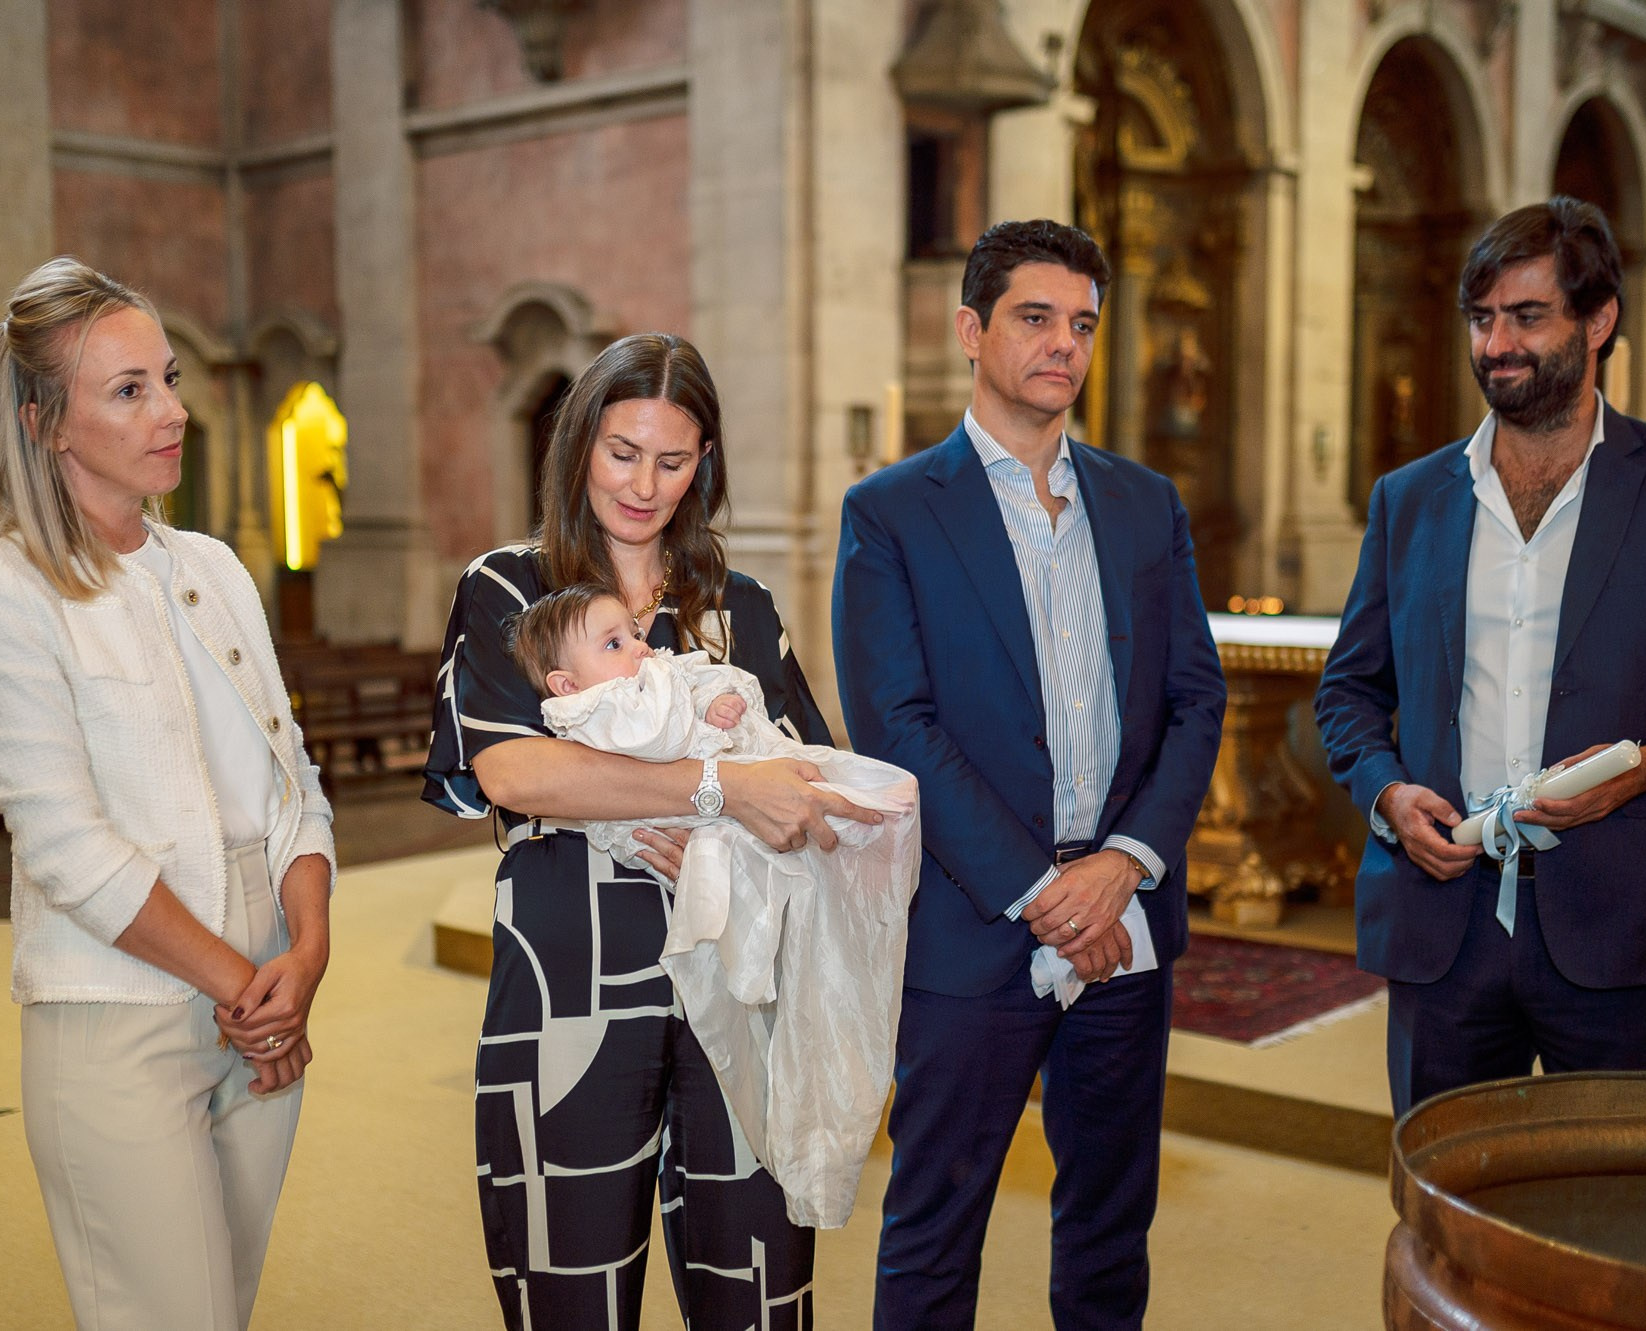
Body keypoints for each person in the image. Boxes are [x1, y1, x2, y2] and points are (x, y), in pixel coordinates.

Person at [1313, 197, 1646, 1119]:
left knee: (1634, 1221)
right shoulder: (1410, 498)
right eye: (1481, 319)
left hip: (1629, 926)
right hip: (1445, 931)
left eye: (1527, 316)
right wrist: (1389, 792)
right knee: (1451, 1222)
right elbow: (1350, 693)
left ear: (1598, 321)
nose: (1496, 344)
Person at [422, 332, 879, 1329]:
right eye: (622, 452)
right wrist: (715, 788)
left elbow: (807, 788)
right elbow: (514, 768)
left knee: (756, 1296)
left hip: (740, 990)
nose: (643, 483)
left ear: (703, 461)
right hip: (570, 988)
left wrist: (741, 800)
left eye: (672, 460)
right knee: (568, 1292)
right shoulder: (513, 588)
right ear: (579, 442)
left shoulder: (738, 607)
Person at [832, 219, 1227, 1329]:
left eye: (1083, 324)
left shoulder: (1145, 503)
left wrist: (1123, 863)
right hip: (974, 925)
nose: (1063, 343)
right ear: (972, 330)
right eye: (1034, 317)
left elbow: (1194, 698)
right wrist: (1045, 891)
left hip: (1125, 921)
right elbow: (898, 724)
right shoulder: (892, 512)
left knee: (1108, 1226)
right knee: (932, 1229)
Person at [0, 257, 335, 1331]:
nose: (173, 410)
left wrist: (303, 956)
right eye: (130, 390)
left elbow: (292, 779)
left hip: (263, 993)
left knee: (224, 1305)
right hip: (120, 1006)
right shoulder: (4, 585)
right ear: (47, 423)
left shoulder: (212, 563)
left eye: (167, 377)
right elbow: (66, 843)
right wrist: (249, 989)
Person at [507, 581, 920, 1229]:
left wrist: (719, 699)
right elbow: (637, 743)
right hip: (663, 840)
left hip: (724, 796)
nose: (640, 649)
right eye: (614, 642)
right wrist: (694, 720)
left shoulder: (663, 666)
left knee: (853, 790)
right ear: (563, 683)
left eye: (635, 634)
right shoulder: (588, 711)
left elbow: (702, 693)